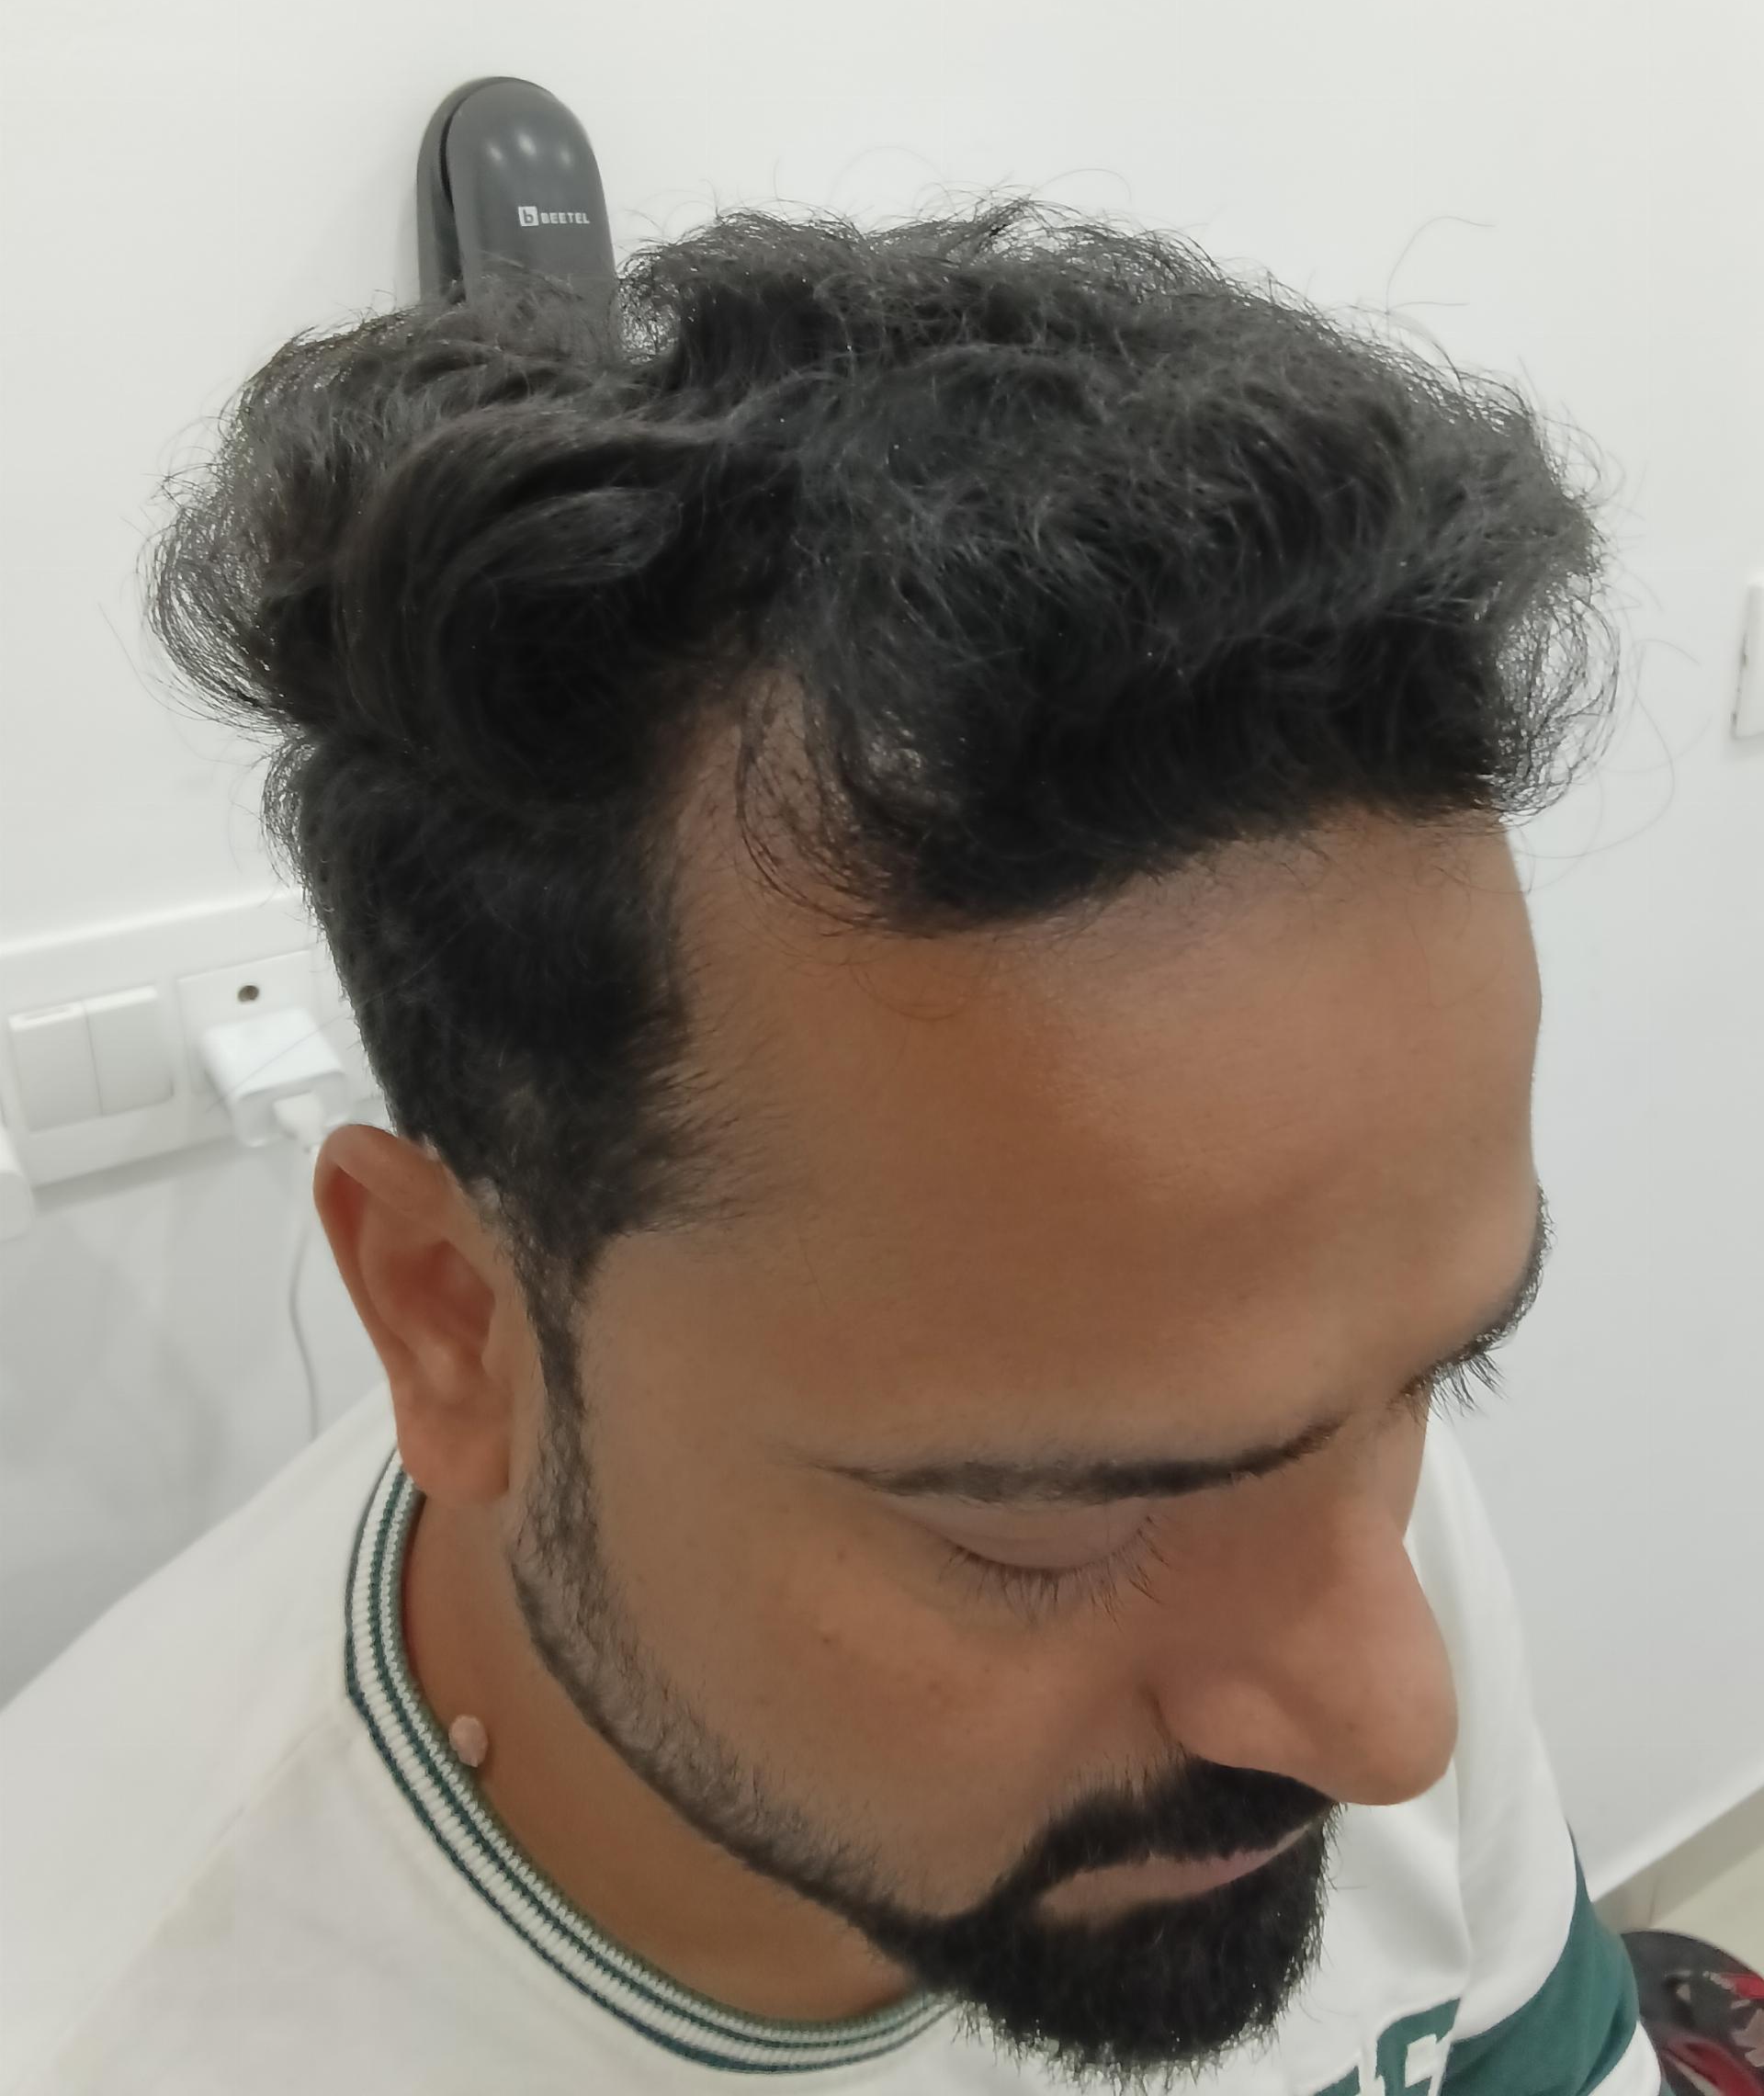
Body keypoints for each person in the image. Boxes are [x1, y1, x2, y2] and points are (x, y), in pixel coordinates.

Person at [0, 199, 1663, 2093]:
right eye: (1048, 1529)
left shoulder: (1295, 1472)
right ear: (454, 1319)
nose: (1394, 1724)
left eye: (1437, 1379)